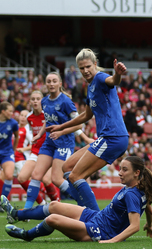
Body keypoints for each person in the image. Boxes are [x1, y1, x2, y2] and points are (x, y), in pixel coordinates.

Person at [2, 156, 152, 243]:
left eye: (125, 170)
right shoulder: (136, 188)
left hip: (100, 231)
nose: (120, 173)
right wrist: (149, 225)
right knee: (55, 205)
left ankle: (26, 235)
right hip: (97, 217)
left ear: (136, 173)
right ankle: (16, 214)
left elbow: (134, 226)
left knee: (52, 219)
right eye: (120, 169)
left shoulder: (132, 194)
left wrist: (112, 241)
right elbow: (148, 208)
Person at [46, 48, 129, 211]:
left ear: (95, 65)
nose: (85, 71)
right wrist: (61, 126)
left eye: (88, 66)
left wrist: (118, 73)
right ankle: (86, 210)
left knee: (76, 175)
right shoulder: (90, 89)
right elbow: (85, 116)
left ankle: (96, 220)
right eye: (81, 68)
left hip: (113, 137)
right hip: (106, 138)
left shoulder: (99, 77)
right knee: (67, 167)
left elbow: (113, 81)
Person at [23, 72, 87, 209]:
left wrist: (62, 132)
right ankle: (27, 210)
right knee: (36, 175)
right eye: (49, 81)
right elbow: (47, 120)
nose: (51, 84)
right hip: (49, 142)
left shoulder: (66, 102)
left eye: (54, 81)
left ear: (60, 84)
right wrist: (39, 135)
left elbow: (79, 124)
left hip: (64, 143)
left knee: (56, 179)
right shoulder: (44, 101)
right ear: (45, 84)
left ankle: (83, 201)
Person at [17, 91, 60, 205]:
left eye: (37, 99)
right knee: (21, 178)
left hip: (49, 151)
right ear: (30, 102)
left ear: (42, 100)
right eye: (33, 99)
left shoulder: (48, 114)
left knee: (46, 180)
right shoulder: (29, 117)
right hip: (35, 151)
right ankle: (42, 203)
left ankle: (57, 204)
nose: (35, 101)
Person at [0, 102, 19, 199]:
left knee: (8, 175)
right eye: (10, 111)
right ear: (3, 111)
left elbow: (16, 136)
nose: (12, 113)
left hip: (7, 152)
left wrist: (14, 150)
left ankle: (2, 202)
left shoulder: (13, 123)